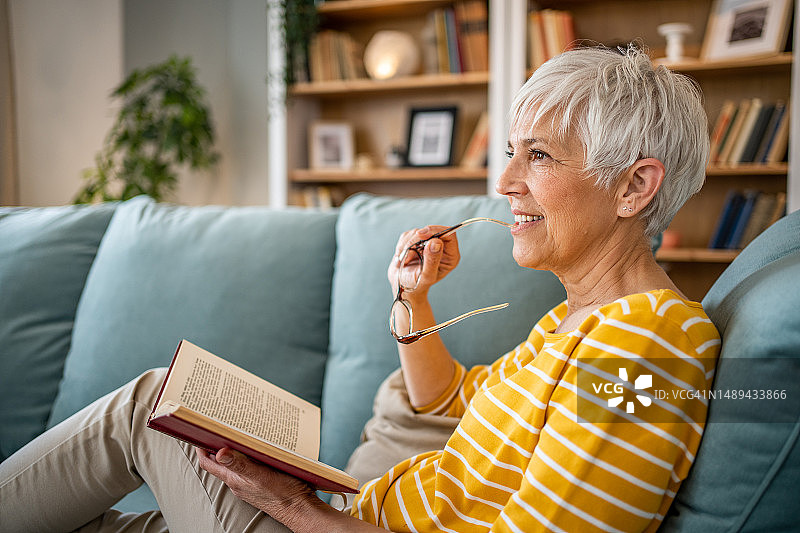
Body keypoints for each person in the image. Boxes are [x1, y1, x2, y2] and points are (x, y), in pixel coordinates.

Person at [0, 45, 720, 533]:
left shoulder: (645, 344)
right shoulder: (575, 323)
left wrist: (296, 506)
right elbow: (444, 400)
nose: (504, 182)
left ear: (633, 186)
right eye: (510, 152)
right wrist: (414, 300)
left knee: (147, 406)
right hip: (347, 517)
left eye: (539, 156)